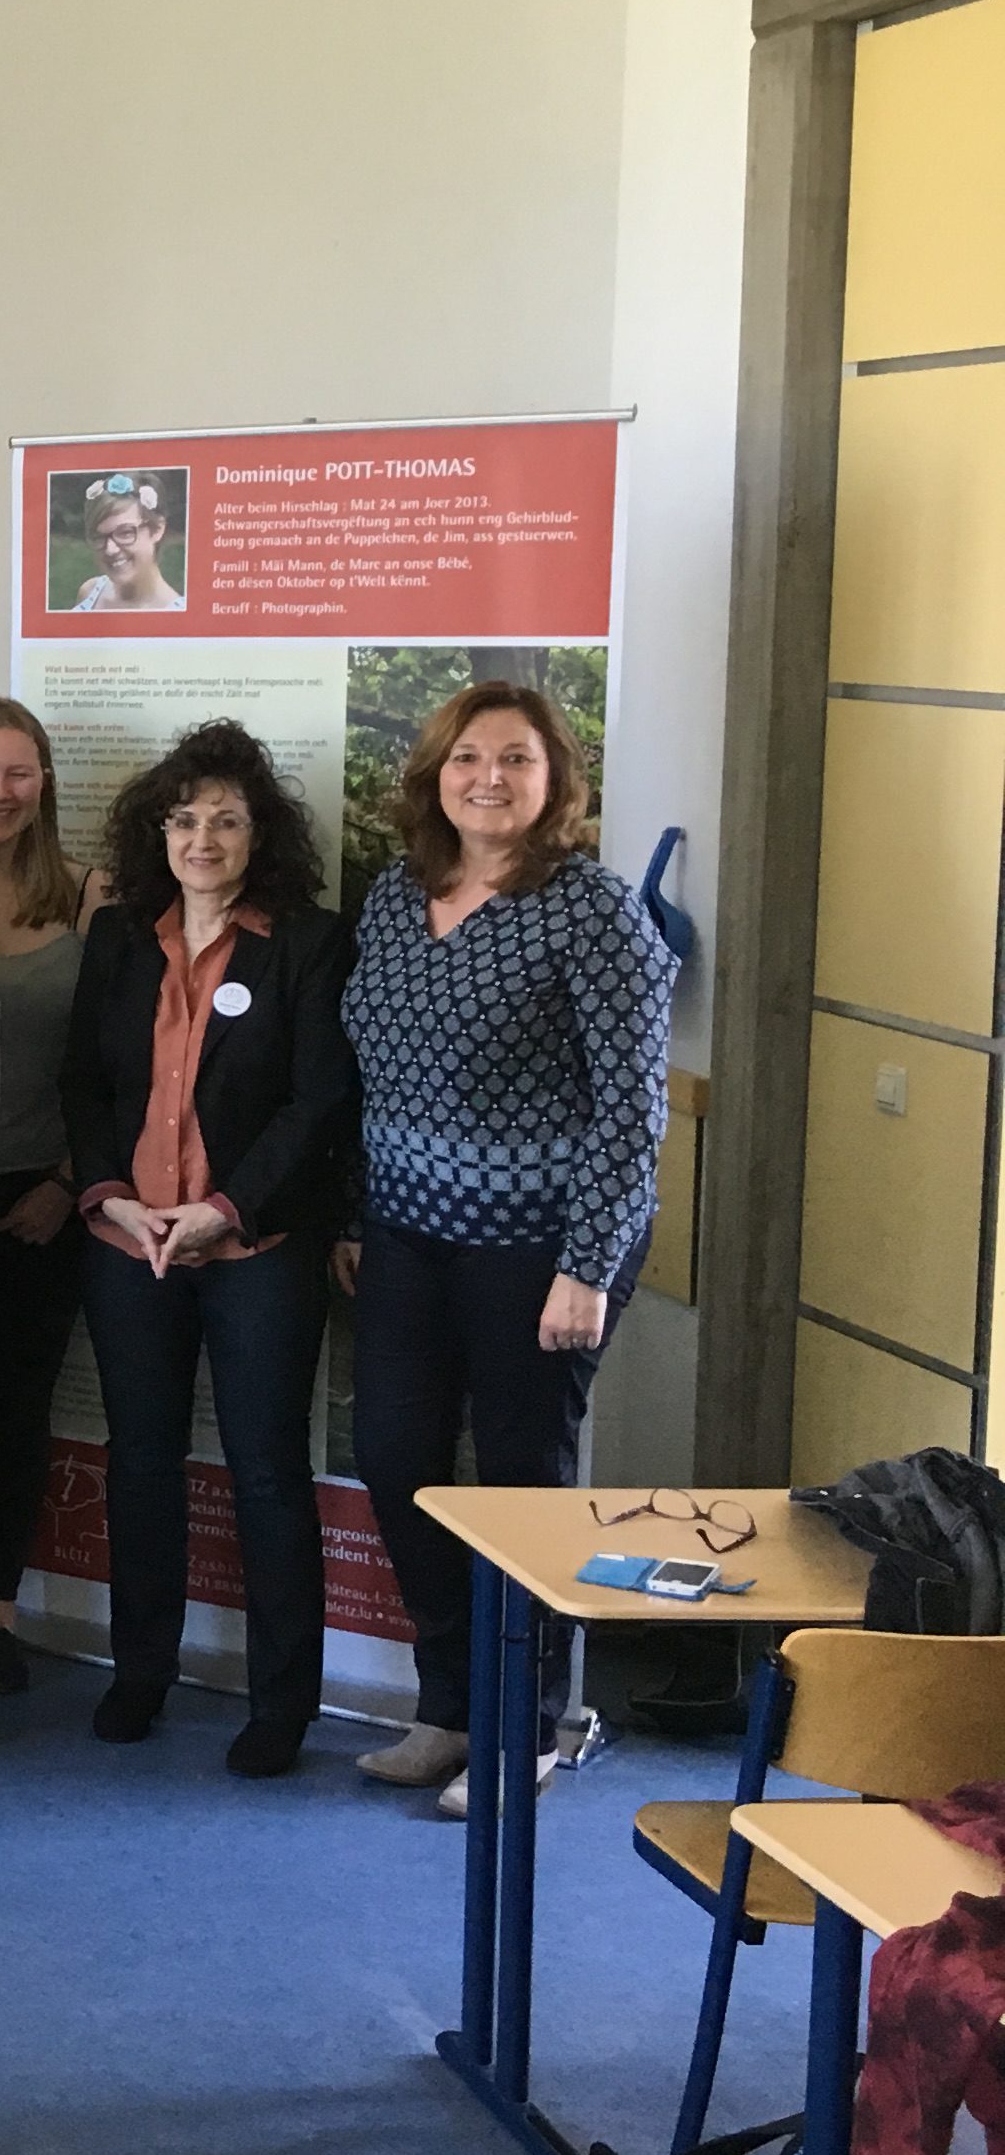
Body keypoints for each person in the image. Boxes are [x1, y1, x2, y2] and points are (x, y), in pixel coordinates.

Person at [341, 682, 672, 1811]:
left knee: (523, 1483)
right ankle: (448, 1707)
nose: (489, 778)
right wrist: (357, 1216)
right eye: (467, 757)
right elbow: (374, 1076)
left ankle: (526, 1728)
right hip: (406, 1233)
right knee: (397, 1462)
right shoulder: (398, 895)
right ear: (435, 774)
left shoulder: (594, 911)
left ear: (554, 779)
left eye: (516, 759)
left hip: (539, 1248)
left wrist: (589, 1265)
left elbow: (632, 1109)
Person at [65, 722, 356, 1779]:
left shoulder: (310, 943)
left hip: (256, 1248)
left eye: (226, 820)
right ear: (158, 833)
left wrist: (225, 1207)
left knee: (266, 1472)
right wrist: (113, 1198)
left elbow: (318, 1100)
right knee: (140, 1460)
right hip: (129, 1241)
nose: (202, 839)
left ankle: (283, 1704)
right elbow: (84, 1084)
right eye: (184, 819)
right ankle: (141, 1670)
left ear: (259, 834)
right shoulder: (118, 938)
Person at [0, 697, 111, 1698]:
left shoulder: (88, 896)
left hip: (45, 1197)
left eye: (16, 772)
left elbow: (123, 1063)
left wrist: (68, 1183)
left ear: (44, 781)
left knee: (13, 1409)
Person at [68, 471, 185, 613]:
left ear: (157, 529)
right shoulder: (90, 592)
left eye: (125, 533)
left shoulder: (177, 614)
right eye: (99, 536)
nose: (110, 549)